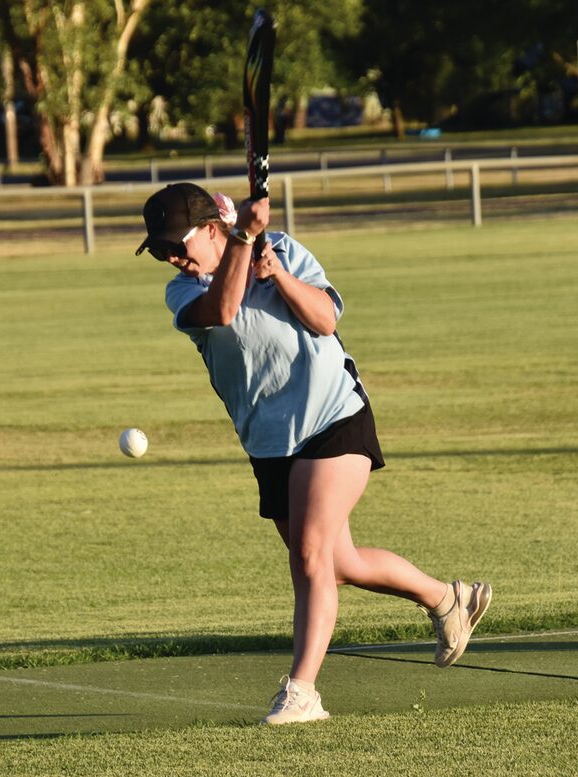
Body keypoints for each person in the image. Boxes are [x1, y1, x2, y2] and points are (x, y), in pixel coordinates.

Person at [137, 182, 492, 725]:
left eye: (177, 243)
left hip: (334, 416)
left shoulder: (282, 249)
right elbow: (226, 308)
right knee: (336, 563)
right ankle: (448, 599)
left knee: (308, 555)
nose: (171, 257)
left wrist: (277, 272)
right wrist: (240, 241)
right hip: (269, 443)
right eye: (161, 250)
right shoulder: (183, 293)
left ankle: (302, 692)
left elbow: (326, 320)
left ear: (210, 228)